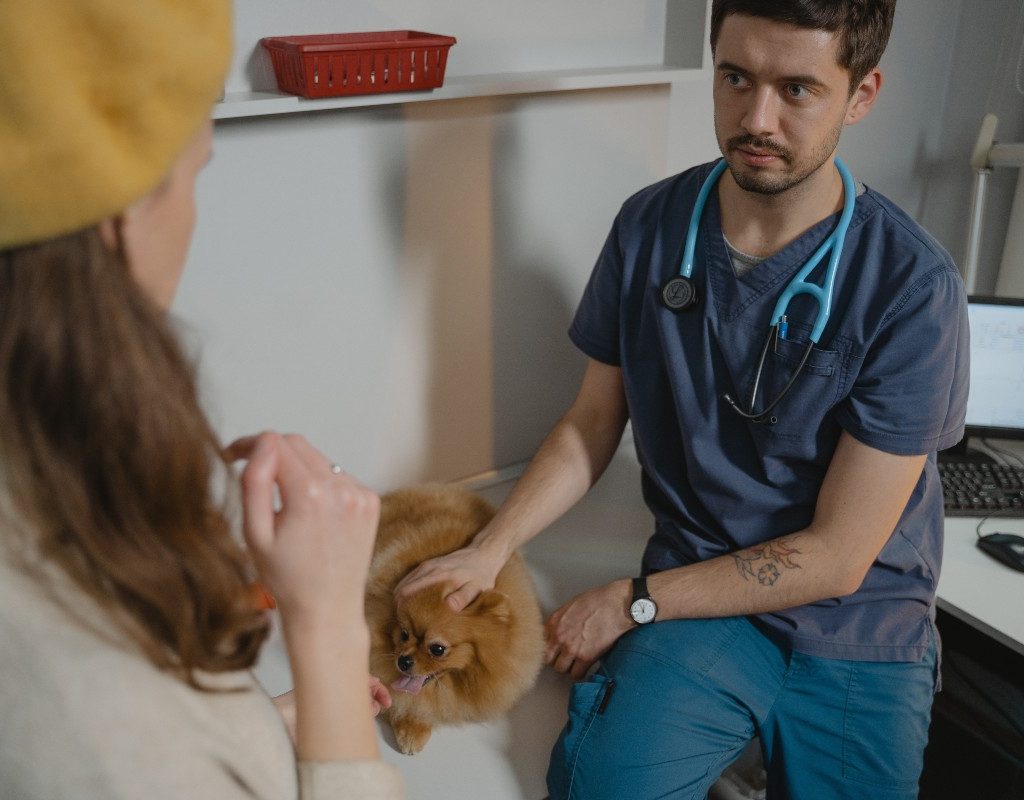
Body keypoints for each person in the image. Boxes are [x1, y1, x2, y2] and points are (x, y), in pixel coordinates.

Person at [396, 1, 969, 797]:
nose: (756, 119)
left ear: (861, 94)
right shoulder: (650, 227)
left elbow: (840, 557)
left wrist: (632, 604)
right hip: (704, 602)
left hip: (859, 625)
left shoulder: (912, 287)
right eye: (736, 78)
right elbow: (592, 422)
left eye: (797, 89)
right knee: (600, 785)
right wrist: (491, 547)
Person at [0, 2, 403, 798]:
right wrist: (327, 629)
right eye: (196, 175)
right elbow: (145, 748)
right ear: (120, 220)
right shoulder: (108, 732)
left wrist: (258, 731)